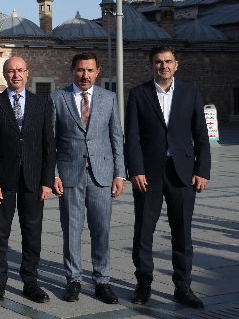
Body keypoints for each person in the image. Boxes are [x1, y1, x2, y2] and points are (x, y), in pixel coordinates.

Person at [125, 46, 210, 309]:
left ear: (176, 64)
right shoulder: (138, 94)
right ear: (152, 65)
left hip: (182, 172)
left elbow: (201, 134)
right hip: (148, 174)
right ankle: (143, 284)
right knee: (144, 231)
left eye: (168, 61)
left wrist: (202, 170)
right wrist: (135, 170)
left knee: (182, 231)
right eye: (159, 62)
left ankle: (183, 286)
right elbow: (132, 137)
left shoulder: (190, 92)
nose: (164, 66)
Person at [49, 52, 125, 304]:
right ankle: (73, 280)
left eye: (90, 70)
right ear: (72, 70)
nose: (85, 75)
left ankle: (102, 280)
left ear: (98, 71)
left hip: (101, 175)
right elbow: (51, 140)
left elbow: (116, 138)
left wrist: (119, 173)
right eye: (80, 70)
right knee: (71, 230)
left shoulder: (108, 98)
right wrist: (54, 174)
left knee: (101, 229)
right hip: (69, 174)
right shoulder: (57, 98)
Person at [0, 56, 55, 304]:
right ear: (5, 75)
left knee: (32, 233)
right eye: (11, 71)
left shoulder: (41, 104)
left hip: (33, 180)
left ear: (27, 73)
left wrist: (47, 181)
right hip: (3, 181)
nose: (16, 75)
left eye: (20, 70)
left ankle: (30, 281)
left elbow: (49, 145)